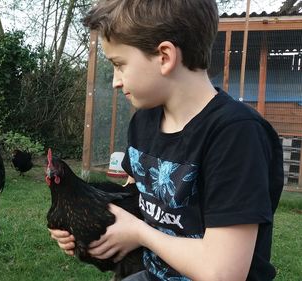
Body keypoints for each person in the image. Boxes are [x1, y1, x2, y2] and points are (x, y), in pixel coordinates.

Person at [48, 0, 284, 280]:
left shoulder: (235, 135)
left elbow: (223, 272)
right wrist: (81, 224)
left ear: (164, 57)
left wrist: (139, 233)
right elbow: (136, 196)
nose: (115, 81)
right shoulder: (144, 122)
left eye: (119, 65)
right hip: (152, 273)